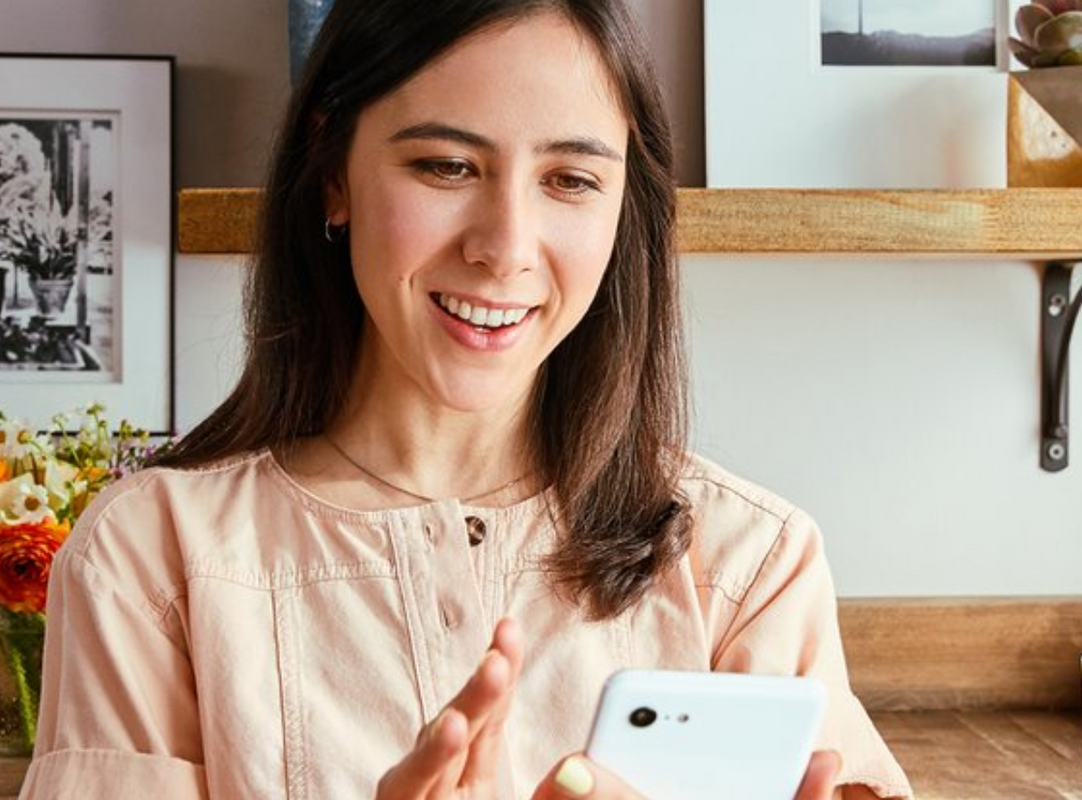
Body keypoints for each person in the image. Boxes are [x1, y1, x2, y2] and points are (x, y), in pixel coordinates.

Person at [21, 1, 912, 798]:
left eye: (570, 180)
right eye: (447, 166)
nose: (506, 247)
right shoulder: (150, 563)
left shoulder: (749, 568)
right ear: (333, 169)